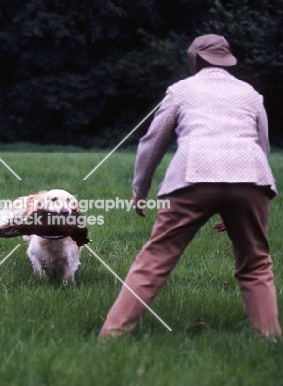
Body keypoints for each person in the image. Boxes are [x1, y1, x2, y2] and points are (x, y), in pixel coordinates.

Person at [99, 34, 281, 341]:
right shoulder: (250, 94)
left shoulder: (181, 90)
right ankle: (270, 338)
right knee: (256, 263)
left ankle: (112, 335)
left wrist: (139, 191)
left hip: (193, 176)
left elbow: (151, 143)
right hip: (250, 178)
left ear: (194, 59)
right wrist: (245, 201)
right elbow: (262, 146)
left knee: (156, 258)